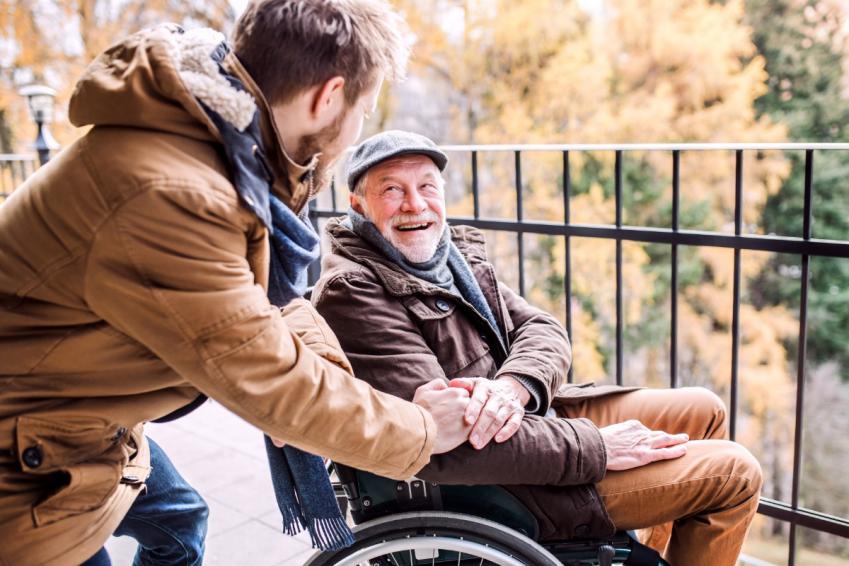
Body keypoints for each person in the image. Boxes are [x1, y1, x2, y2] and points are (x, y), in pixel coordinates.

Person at [0, 4, 474, 565]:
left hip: (83, 417)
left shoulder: (222, 143)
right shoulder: (173, 194)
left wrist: (329, 371)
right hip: (29, 459)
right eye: (362, 110)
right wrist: (420, 431)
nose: (353, 133)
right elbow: (271, 382)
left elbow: (272, 298)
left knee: (180, 521)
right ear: (328, 98)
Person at [311, 129, 765, 566]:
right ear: (358, 204)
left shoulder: (447, 257)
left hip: (529, 424)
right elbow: (441, 448)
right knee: (735, 474)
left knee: (704, 409)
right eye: (392, 190)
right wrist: (597, 447)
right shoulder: (354, 290)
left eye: (427, 186)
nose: (415, 204)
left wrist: (512, 387)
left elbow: (542, 328)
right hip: (504, 483)